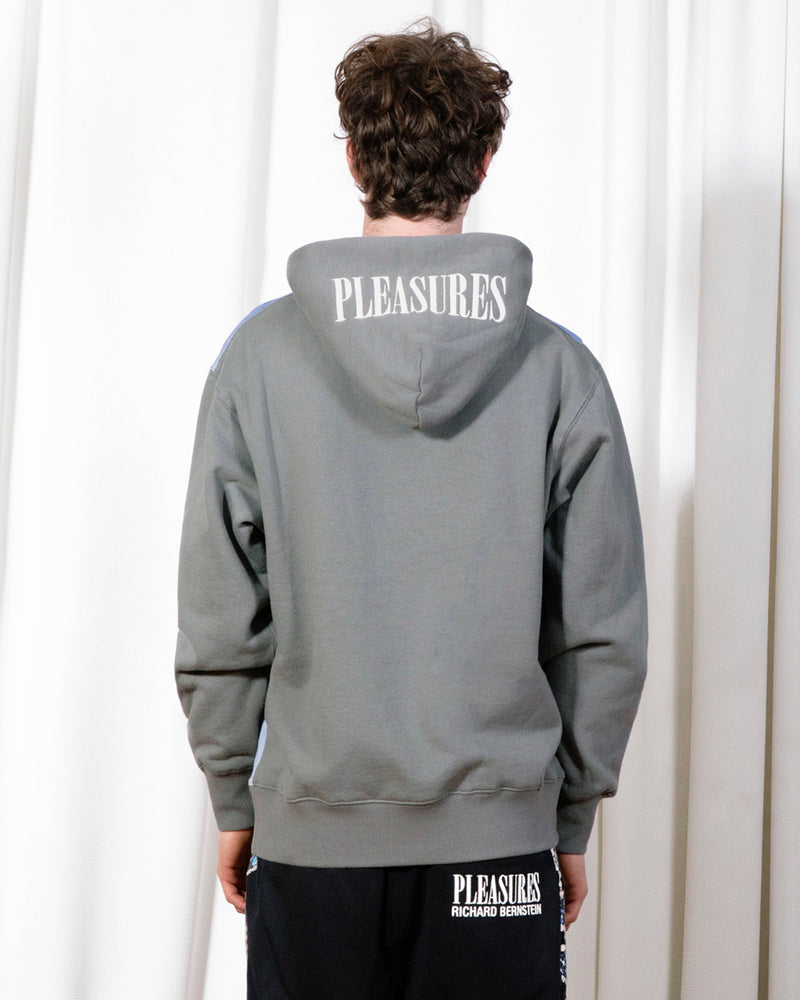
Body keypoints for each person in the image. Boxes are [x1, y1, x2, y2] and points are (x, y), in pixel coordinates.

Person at [175, 19, 647, 1000]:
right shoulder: (560, 369)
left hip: (313, 840)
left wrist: (234, 793)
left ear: (353, 158)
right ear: (484, 161)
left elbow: (220, 610)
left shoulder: (258, 360)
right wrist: (565, 818)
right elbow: (601, 630)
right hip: (497, 846)